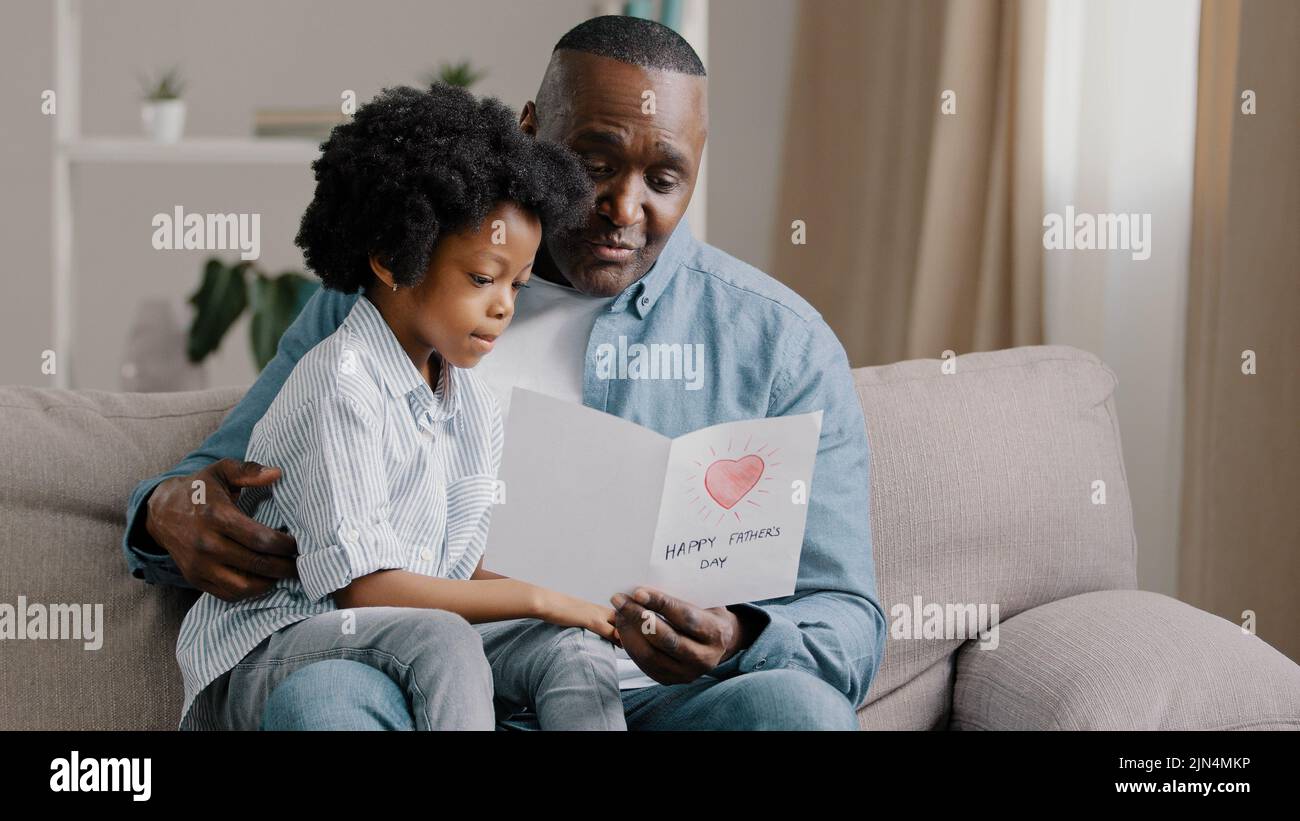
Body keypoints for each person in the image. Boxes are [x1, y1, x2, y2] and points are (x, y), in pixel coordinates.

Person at [126, 15, 887, 731]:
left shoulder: (780, 343)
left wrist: (737, 634)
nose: (625, 207)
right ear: (532, 131)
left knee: (800, 710)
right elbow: (221, 472)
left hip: (643, 700)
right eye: (594, 165)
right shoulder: (387, 297)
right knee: (327, 691)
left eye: (664, 179)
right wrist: (170, 507)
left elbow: (849, 619)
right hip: (414, 682)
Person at [178, 83, 626, 731]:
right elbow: (367, 589)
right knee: (446, 638)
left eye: (517, 285)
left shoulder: (468, 398)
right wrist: (537, 595)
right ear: (394, 257)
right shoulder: (341, 381)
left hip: (402, 629)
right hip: (279, 644)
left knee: (574, 651)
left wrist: (575, 604)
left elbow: (456, 566)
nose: (504, 305)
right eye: (482, 278)